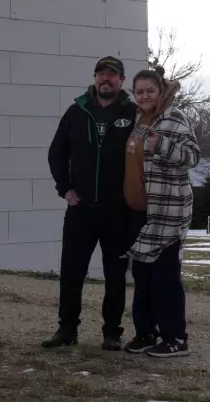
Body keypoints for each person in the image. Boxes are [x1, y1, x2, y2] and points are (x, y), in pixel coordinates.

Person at [43, 56, 139, 351]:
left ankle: (112, 332)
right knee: (72, 271)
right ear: (95, 77)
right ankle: (66, 329)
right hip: (80, 210)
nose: (105, 79)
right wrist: (65, 189)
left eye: (112, 75)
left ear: (122, 80)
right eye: (101, 74)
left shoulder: (133, 114)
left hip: (116, 211)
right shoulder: (76, 112)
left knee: (115, 274)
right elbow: (56, 154)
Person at [121, 66, 200, 358]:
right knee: (142, 276)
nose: (144, 96)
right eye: (139, 92)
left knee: (165, 276)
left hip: (167, 212)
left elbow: (193, 156)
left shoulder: (174, 118)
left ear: (160, 91)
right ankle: (146, 333)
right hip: (139, 212)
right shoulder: (139, 120)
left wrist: (163, 145)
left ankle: (176, 338)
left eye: (149, 91)